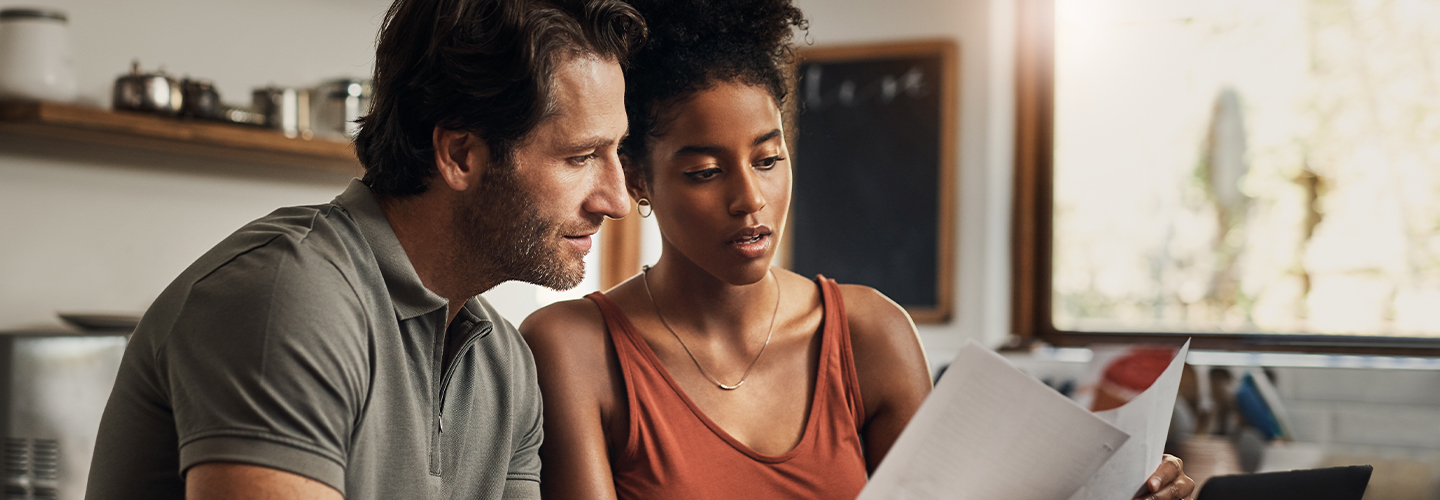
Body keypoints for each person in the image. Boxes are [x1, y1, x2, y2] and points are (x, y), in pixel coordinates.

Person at [520, 0, 1196, 499]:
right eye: (703, 171)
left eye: (767, 159)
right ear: (637, 177)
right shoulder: (574, 347)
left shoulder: (870, 334)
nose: (748, 199)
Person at [85, 1, 643, 498]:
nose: (617, 199)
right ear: (460, 155)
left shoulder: (504, 363)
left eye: (615, 151)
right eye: (581, 157)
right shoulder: (289, 295)